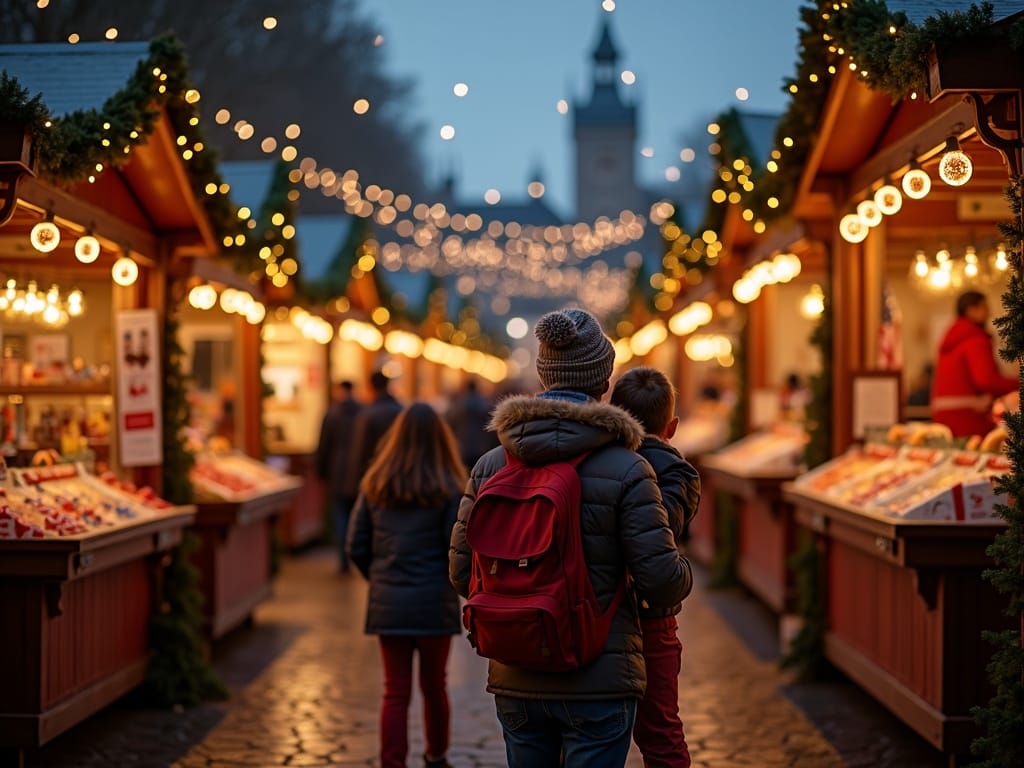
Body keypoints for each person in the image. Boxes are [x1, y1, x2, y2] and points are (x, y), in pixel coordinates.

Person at [449, 308, 693, 768]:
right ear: (604, 384)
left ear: (543, 377)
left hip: (516, 670)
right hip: (598, 675)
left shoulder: (490, 466)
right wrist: (681, 569)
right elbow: (660, 580)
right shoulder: (628, 467)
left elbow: (463, 574)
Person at [347, 403, 466, 768]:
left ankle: (392, 762)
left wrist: (381, 579)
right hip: (434, 601)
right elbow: (457, 547)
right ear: (440, 441)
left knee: (394, 692)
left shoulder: (375, 485)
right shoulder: (449, 487)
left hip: (390, 602)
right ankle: (436, 755)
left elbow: (356, 545)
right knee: (435, 686)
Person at [610, 367, 701, 768]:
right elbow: (663, 536)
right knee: (662, 731)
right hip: (654, 616)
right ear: (673, 426)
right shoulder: (681, 475)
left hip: (601, 609)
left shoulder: (603, 461)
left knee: (593, 730)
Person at [931, 291, 1018, 438]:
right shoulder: (975, 339)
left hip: (942, 417)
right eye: (984, 307)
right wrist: (1018, 382)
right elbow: (986, 380)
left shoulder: (952, 338)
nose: (989, 312)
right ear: (971, 310)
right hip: (970, 419)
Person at [315, 380, 362, 573]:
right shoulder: (362, 412)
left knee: (340, 516)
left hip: (337, 473)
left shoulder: (332, 414)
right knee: (356, 516)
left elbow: (323, 445)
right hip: (358, 473)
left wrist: (321, 470)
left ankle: (343, 558)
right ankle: (353, 554)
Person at [349, 370, 403, 484]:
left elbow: (361, 451)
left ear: (371, 387)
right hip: (400, 473)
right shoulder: (401, 411)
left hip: (374, 476)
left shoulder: (367, 415)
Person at [446, 378, 499, 468]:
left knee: (465, 471)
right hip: (481, 446)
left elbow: (451, 423)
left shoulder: (459, 405)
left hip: (463, 445)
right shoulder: (484, 404)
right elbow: (491, 426)